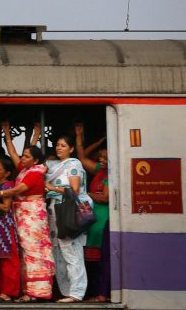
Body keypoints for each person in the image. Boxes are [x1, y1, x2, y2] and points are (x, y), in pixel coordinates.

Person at [0, 142, 54, 302]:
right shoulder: (25, 170)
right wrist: (6, 134)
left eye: (27, 156)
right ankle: (27, 291)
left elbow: (16, 190)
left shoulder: (34, 174)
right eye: (23, 155)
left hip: (33, 216)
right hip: (24, 214)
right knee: (25, 253)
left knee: (34, 252)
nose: (22, 158)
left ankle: (36, 292)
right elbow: (13, 152)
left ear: (35, 161)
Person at [45, 134, 92, 303]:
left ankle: (76, 293)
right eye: (57, 145)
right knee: (58, 251)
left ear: (71, 149)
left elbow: (75, 190)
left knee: (72, 251)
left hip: (69, 211)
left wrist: (51, 187)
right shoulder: (53, 166)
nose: (59, 148)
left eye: (63, 145)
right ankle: (66, 292)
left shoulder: (74, 164)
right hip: (56, 211)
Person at [75, 125, 110, 302]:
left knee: (99, 259)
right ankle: (94, 292)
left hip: (102, 219)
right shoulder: (100, 170)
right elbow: (82, 157)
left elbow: (105, 198)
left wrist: (86, 194)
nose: (101, 160)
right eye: (101, 157)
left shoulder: (111, 174)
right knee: (92, 259)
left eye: (105, 158)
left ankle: (99, 293)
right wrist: (80, 136)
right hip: (93, 219)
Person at [0, 159, 20, 302]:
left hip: (5, 227)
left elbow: (6, 207)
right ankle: (0, 291)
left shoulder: (7, 186)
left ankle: (9, 292)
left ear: (7, 173)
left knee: (8, 261)